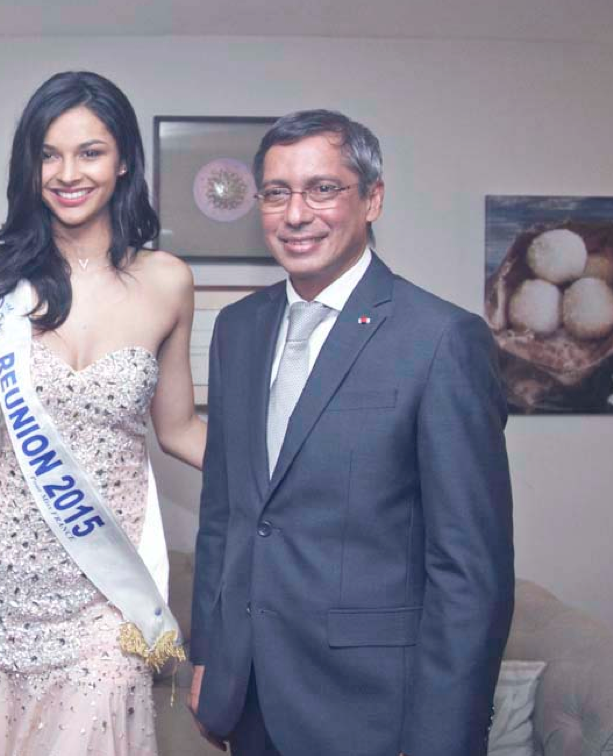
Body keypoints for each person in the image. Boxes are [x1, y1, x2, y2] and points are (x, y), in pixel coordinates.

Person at [189, 109, 515, 756]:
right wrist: (210, 656)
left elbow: (469, 571)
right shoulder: (238, 330)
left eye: (323, 189)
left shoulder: (440, 340)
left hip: (375, 714)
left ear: (372, 198)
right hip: (249, 700)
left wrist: (441, 738)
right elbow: (226, 514)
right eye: (277, 192)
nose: (296, 213)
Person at [0, 71, 206, 756]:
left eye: (89, 152)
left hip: (106, 582)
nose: (67, 173)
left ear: (123, 160)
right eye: (48, 154)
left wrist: (303, 461)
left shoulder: (168, 280)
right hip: (2, 577)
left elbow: (180, 429)